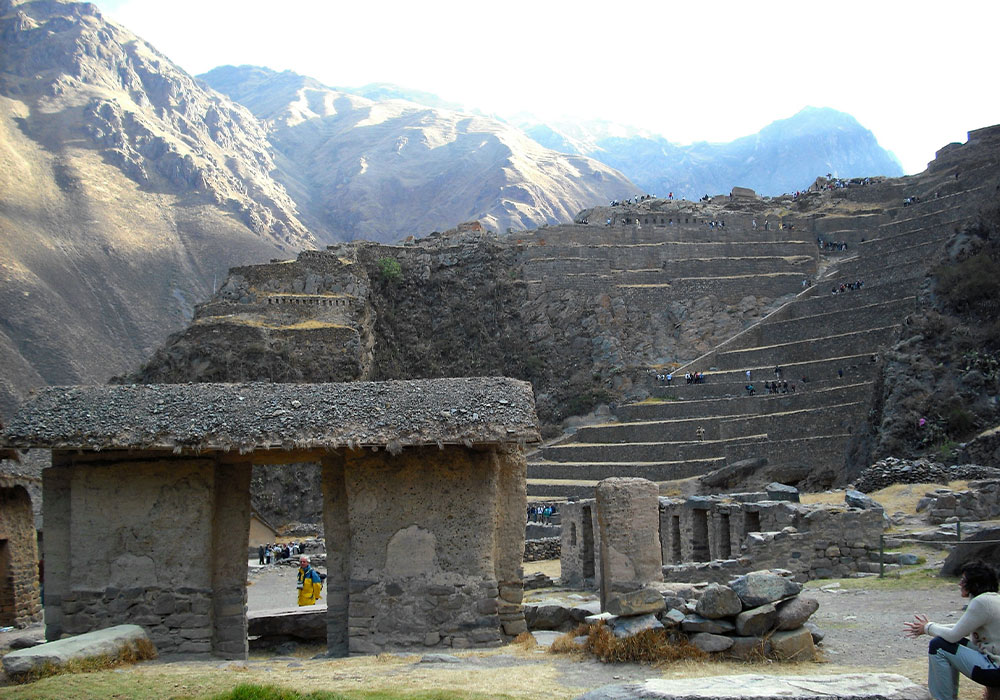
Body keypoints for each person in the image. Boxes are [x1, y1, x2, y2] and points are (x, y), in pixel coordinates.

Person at [905, 560, 1000, 698]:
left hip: (995, 670)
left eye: (963, 580)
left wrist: (927, 628)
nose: (959, 584)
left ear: (975, 584)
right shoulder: (992, 599)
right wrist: (929, 626)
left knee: (939, 646)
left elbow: (953, 635)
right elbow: (962, 629)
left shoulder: (982, 602)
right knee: (949, 642)